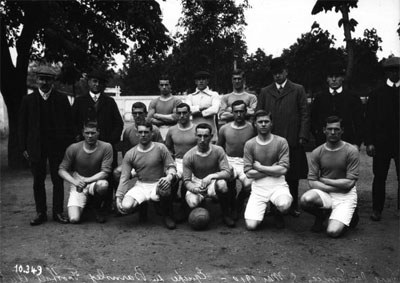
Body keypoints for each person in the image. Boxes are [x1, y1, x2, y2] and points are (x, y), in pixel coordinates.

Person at [18, 65, 73, 225]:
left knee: (58, 179)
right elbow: (22, 126)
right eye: (41, 79)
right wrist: (23, 147)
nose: (44, 82)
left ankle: (57, 212)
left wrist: (68, 147)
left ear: (53, 81)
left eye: (47, 79)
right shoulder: (28, 100)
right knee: (38, 180)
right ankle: (40, 212)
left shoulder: (61, 99)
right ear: (36, 80)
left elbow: (69, 125)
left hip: (57, 147)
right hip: (36, 146)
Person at [256, 57, 310, 217]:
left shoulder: (298, 89)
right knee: (272, 172)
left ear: (286, 72)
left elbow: (305, 114)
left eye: (280, 73)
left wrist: (302, 135)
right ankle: (273, 205)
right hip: (271, 139)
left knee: (292, 174)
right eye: (274, 74)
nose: (277, 76)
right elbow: (259, 115)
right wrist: (260, 135)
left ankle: (292, 205)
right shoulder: (265, 91)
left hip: (292, 137)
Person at [72, 68, 123, 212]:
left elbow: (118, 124)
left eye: (100, 82)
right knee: (87, 173)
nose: (96, 84)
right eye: (94, 81)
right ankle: (88, 203)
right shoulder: (80, 101)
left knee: (107, 174)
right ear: (88, 82)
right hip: (85, 146)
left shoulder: (109, 102)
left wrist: (110, 142)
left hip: (106, 146)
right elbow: (73, 122)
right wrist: (79, 138)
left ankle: (106, 204)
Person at [300, 116, 359, 238]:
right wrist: (335, 186)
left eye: (336, 129)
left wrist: (326, 180)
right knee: (305, 199)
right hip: (326, 192)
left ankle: (350, 214)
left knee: (332, 232)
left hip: (345, 195)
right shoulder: (317, 152)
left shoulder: (351, 150)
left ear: (342, 130)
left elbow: (349, 184)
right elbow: (312, 182)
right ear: (324, 130)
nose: (333, 132)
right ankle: (321, 215)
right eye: (330, 129)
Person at [115, 121, 178, 229]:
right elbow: (124, 177)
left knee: (165, 188)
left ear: (151, 133)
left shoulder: (160, 148)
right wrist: (118, 197)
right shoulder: (131, 153)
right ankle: (142, 207)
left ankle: (167, 215)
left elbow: (171, 167)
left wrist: (168, 177)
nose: (143, 135)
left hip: (157, 183)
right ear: (137, 134)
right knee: (126, 206)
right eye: (140, 132)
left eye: (146, 132)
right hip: (141, 184)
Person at [243, 110, 292, 230]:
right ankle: (261, 208)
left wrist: (260, 167)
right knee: (251, 226)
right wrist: (273, 169)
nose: (263, 124)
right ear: (255, 124)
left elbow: (283, 170)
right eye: (260, 122)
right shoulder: (250, 144)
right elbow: (249, 173)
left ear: (271, 123)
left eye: (266, 121)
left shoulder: (281, 141)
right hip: (259, 187)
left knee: (284, 205)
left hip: (278, 185)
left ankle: (277, 211)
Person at [365, 56, 400, 221]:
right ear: (386, 72)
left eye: (398, 70)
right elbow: (369, 120)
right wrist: (370, 142)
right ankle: (377, 209)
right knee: (379, 177)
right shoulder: (376, 93)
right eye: (391, 70)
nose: (395, 73)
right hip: (381, 143)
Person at [58, 121, 113, 223]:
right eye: (87, 133)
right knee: (74, 219)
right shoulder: (73, 148)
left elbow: (105, 172)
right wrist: (75, 182)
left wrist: (87, 180)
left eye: (93, 133)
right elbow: (61, 170)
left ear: (98, 132)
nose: (90, 136)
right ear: (83, 133)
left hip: (94, 181)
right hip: (78, 183)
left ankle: (97, 207)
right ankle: (86, 205)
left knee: (103, 185)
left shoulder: (106, 147)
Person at [182, 123, 235, 227]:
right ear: (195, 136)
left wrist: (211, 176)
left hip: (213, 181)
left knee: (222, 184)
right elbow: (187, 180)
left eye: (206, 136)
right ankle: (201, 208)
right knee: (192, 202)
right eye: (199, 136)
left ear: (211, 136)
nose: (202, 139)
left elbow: (227, 172)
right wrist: (195, 189)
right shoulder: (188, 156)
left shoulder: (218, 150)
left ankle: (226, 214)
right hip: (197, 182)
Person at [311, 62, 364, 148]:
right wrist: (318, 137)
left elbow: (359, 122)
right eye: (331, 77)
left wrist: (357, 143)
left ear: (342, 78)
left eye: (337, 76)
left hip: (347, 142)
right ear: (327, 79)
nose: (334, 79)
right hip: (324, 143)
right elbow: (313, 120)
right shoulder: (320, 98)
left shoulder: (353, 98)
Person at [218, 100, 256, 218]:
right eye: (236, 112)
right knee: (225, 183)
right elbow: (219, 148)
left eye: (241, 111)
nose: (239, 115)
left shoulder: (252, 128)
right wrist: (223, 163)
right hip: (230, 160)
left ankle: (240, 201)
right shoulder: (224, 128)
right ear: (232, 113)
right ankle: (230, 205)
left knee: (249, 185)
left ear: (246, 112)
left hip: (246, 161)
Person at [185, 71, 220, 142]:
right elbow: (187, 110)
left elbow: (215, 110)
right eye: (198, 79)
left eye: (203, 79)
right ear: (195, 81)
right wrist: (200, 108)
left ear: (207, 81)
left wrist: (198, 112)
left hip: (210, 131)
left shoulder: (214, 95)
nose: (201, 81)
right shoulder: (190, 96)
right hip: (195, 131)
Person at [147, 75, 182, 140]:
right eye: (162, 85)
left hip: (173, 132)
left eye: (166, 85)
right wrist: (167, 120)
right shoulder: (154, 102)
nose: (164, 87)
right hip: (157, 133)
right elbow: (149, 119)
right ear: (159, 86)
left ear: (170, 86)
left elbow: (175, 118)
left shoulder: (177, 101)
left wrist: (157, 116)